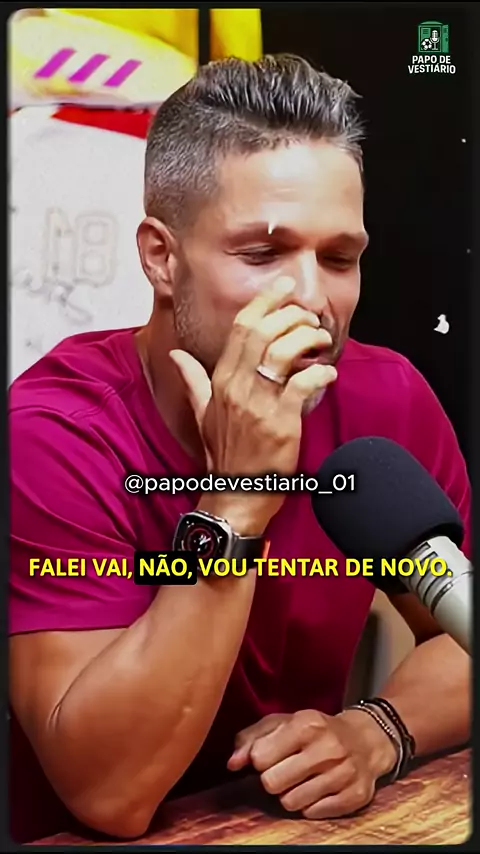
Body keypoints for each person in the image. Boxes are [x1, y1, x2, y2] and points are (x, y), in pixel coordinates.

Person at [9, 54, 471, 844]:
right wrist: (236, 500)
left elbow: (461, 639)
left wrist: (376, 731)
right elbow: (108, 792)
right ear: (161, 257)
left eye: (339, 259)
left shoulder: (385, 399)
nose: (313, 300)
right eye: (262, 255)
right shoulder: (52, 432)